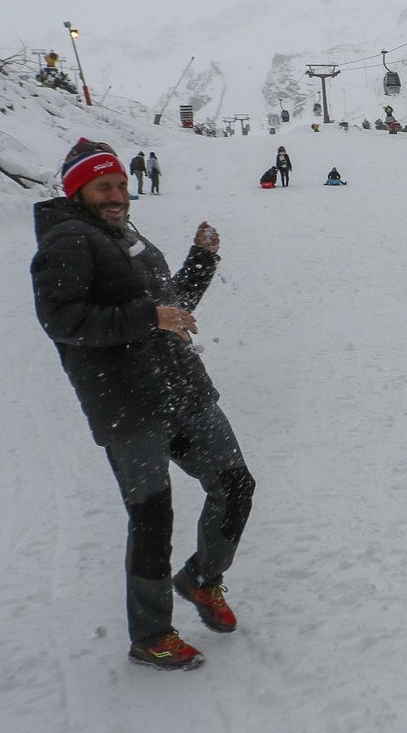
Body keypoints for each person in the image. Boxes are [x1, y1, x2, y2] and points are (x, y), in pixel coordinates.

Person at [31, 139, 255, 670]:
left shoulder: (123, 234)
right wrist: (150, 318)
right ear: (77, 189)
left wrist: (202, 261)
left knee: (236, 486)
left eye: (121, 186)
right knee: (153, 517)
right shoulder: (67, 239)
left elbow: (166, 306)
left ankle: (201, 579)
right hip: (127, 404)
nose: (116, 195)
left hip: (180, 387)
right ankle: (151, 634)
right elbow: (61, 320)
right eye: (103, 186)